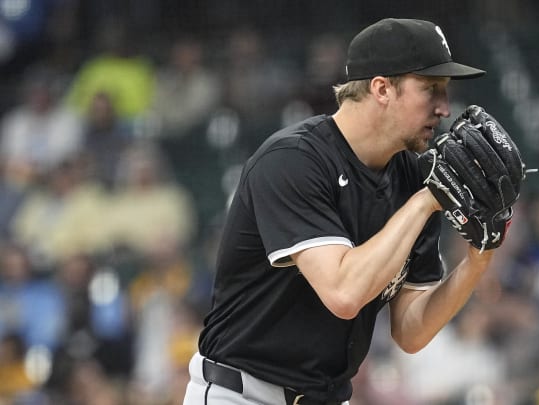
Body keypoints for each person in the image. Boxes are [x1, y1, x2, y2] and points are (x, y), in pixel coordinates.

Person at [183, 18, 501, 405]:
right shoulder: (293, 161)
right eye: (430, 90)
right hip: (242, 394)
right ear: (382, 88)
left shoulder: (415, 177)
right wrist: (425, 201)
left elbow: (410, 332)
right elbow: (343, 292)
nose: (445, 108)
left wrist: (477, 261)